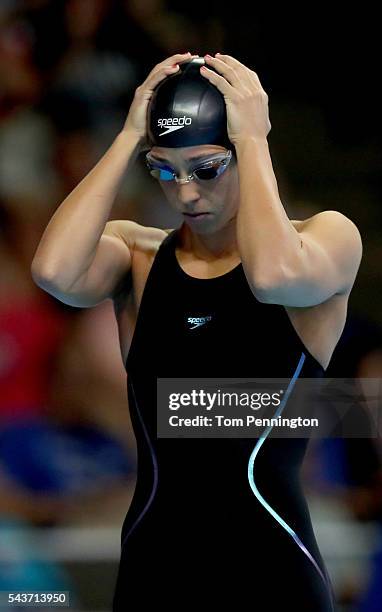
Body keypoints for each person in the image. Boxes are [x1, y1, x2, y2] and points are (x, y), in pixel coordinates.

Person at [31, 52, 362, 610]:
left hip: (273, 575)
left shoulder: (327, 239)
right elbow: (54, 271)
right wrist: (130, 136)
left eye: (206, 168)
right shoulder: (138, 256)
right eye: (164, 169)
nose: (185, 193)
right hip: (155, 570)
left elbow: (273, 275)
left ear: (245, 153)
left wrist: (253, 138)